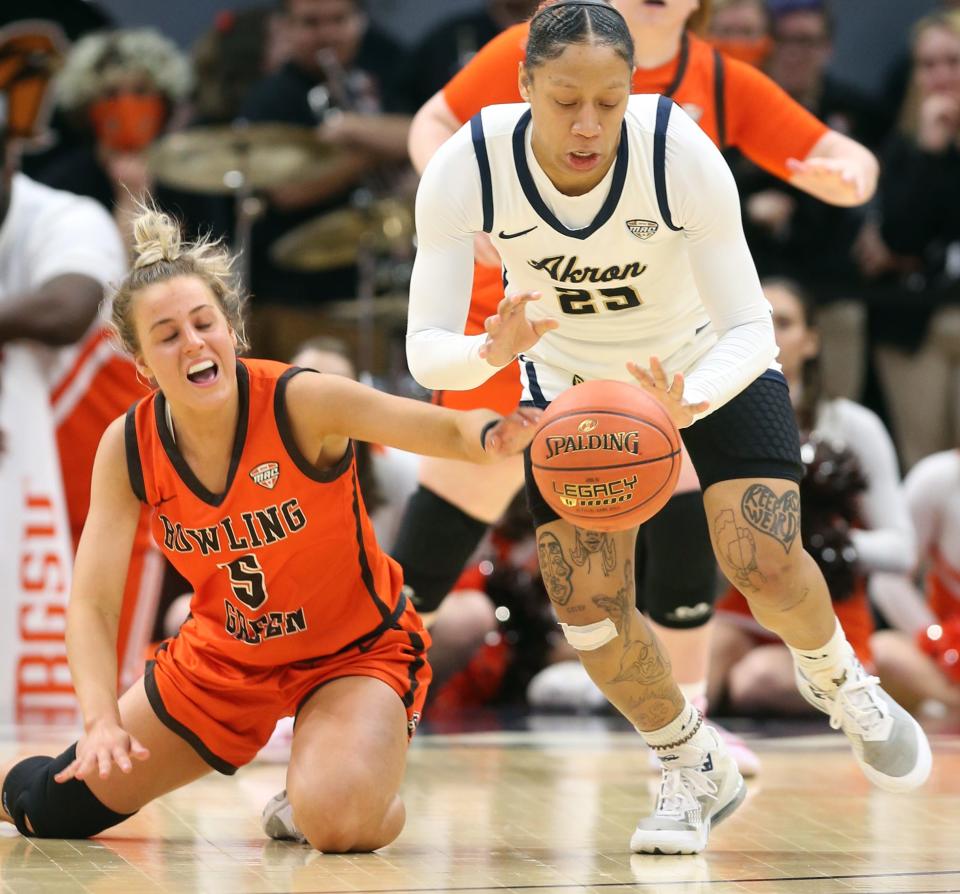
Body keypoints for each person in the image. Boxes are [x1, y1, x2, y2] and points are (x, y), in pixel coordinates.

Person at [403, 0, 930, 855]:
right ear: (524, 84)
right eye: (564, 98)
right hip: (576, 383)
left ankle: (842, 683)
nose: (587, 123)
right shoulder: (469, 165)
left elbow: (753, 324)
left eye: (609, 101)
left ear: (633, 90)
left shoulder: (676, 149)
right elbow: (428, 354)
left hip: (707, 360)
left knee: (760, 559)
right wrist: (488, 349)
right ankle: (690, 763)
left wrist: (687, 400)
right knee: (589, 612)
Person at [0, 206, 540, 850]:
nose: (194, 342)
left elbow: (446, 429)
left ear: (232, 330)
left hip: (353, 653)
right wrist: (99, 720)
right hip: (222, 662)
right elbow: (90, 603)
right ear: (142, 364)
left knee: (338, 823)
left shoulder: (301, 402)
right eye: (167, 335)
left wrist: (497, 432)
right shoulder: (130, 446)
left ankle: (342, 781)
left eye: (205, 324)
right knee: (50, 811)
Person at [709, 278, 915, 714]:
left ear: (812, 340)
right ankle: (684, 758)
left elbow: (902, 549)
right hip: (747, 605)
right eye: (756, 320)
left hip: (830, 607)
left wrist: (826, 545)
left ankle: (857, 690)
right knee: (706, 652)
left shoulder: (853, 425)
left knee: (756, 681)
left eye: (782, 322)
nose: (769, 333)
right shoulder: (712, 418)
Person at [870, 449, 960, 716]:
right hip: (946, 659)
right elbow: (887, 577)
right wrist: (940, 641)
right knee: (882, 650)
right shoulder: (938, 478)